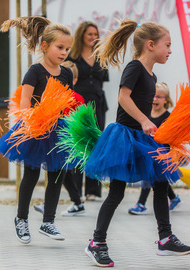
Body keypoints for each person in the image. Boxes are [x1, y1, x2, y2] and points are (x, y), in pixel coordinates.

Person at [80, 20, 190, 267]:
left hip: (141, 139)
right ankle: (96, 242)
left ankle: (165, 238)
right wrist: (144, 120)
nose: (170, 50)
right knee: (117, 192)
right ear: (150, 45)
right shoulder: (135, 67)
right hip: (124, 138)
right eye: (168, 45)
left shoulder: (153, 75)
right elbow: (123, 97)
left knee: (161, 183)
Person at [0, 17, 75, 244]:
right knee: (31, 175)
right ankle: (21, 219)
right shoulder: (35, 71)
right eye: (59, 47)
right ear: (44, 46)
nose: (64, 52)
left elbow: (66, 103)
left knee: (57, 175)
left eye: (67, 49)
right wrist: (34, 122)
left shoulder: (67, 74)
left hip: (58, 130)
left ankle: (48, 222)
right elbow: (24, 103)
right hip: (35, 129)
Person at [33, 61, 86, 217]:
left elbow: (79, 120)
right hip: (55, 140)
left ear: (73, 80)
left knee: (61, 172)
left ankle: (70, 202)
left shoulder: (76, 98)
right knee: (61, 173)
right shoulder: (54, 97)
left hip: (67, 140)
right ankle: (75, 202)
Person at [66, 21, 109, 202]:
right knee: (79, 144)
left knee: (96, 144)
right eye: (89, 34)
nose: (93, 37)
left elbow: (102, 81)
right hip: (79, 104)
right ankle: (75, 190)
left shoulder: (101, 55)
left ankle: (92, 190)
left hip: (98, 104)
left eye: (95, 34)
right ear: (82, 35)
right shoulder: (73, 56)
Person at [128, 82, 182, 215]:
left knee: (151, 177)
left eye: (159, 97)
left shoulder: (168, 117)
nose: (154, 99)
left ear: (166, 100)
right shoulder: (146, 115)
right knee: (158, 179)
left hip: (162, 154)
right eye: (153, 96)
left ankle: (141, 203)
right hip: (148, 152)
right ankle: (174, 198)